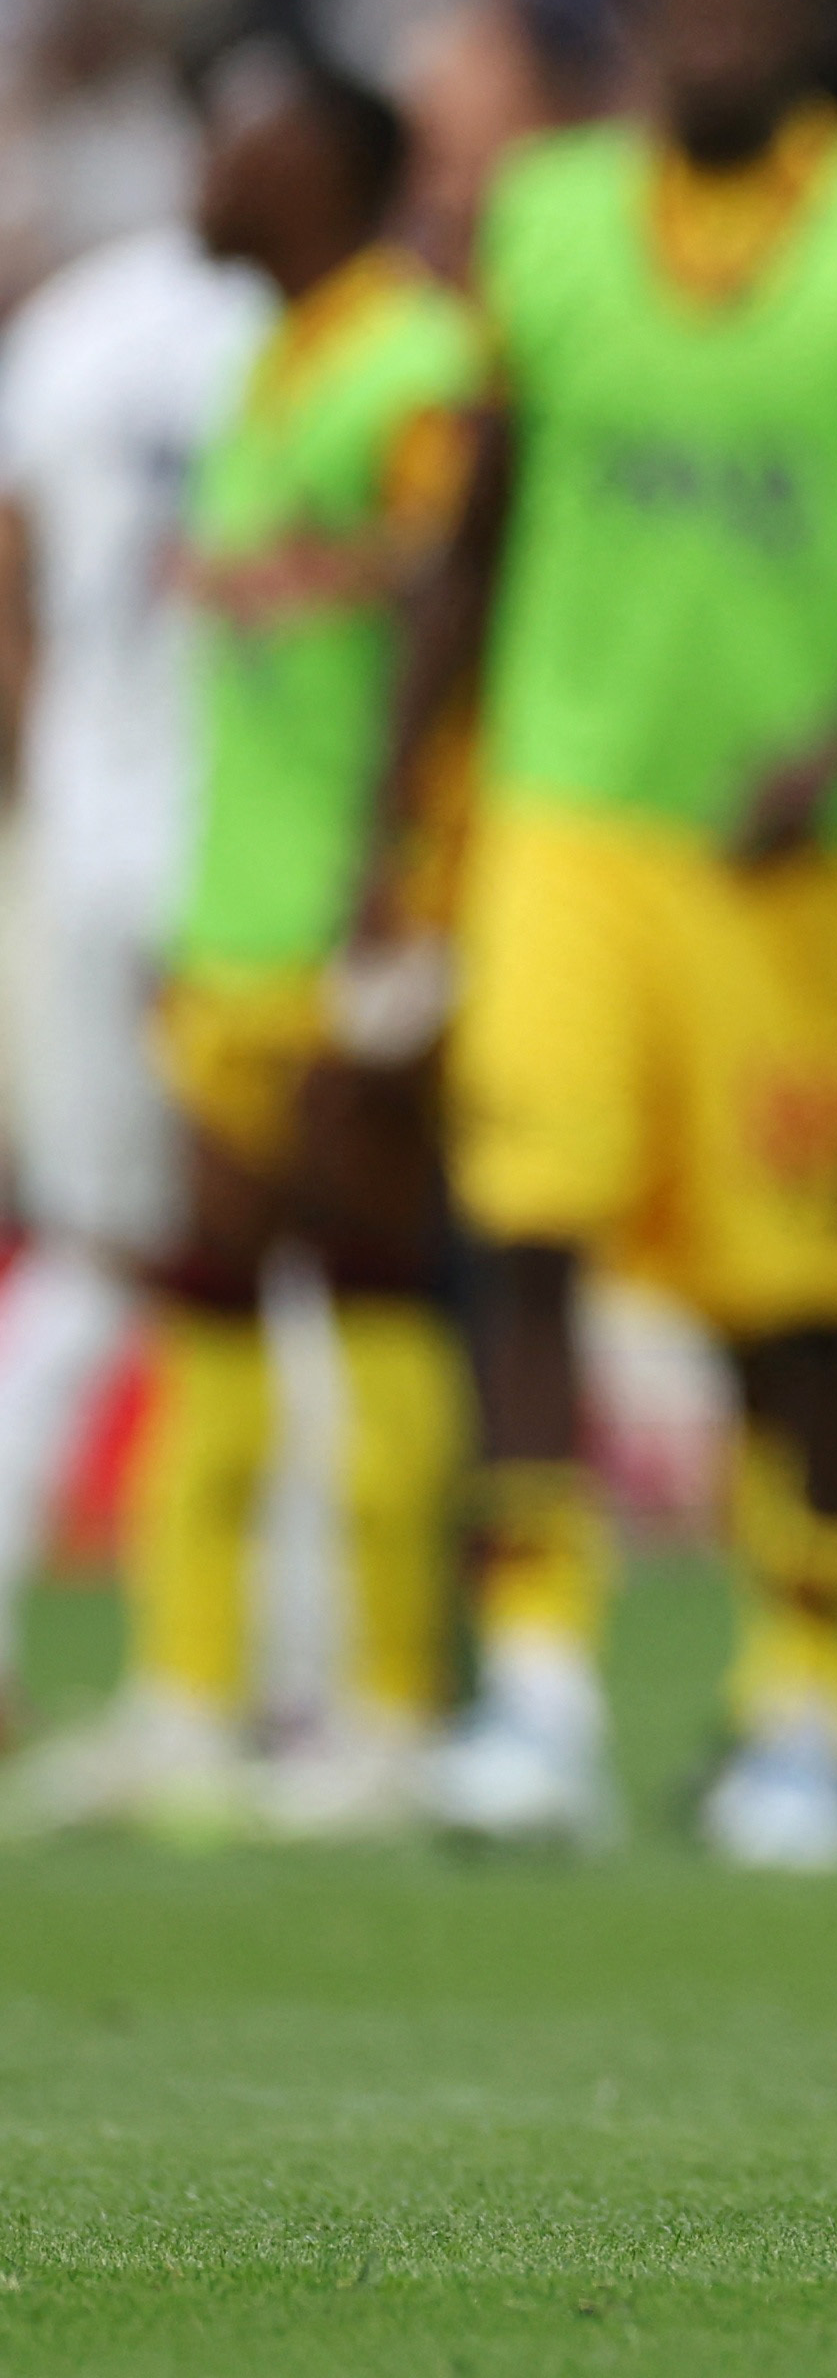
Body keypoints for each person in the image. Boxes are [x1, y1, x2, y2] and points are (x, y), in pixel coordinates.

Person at [399, 0, 837, 1870]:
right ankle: (535, 1671)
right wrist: (387, 834)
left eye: (752, 5)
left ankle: (815, 1687)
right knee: (524, 1224)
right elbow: (478, 532)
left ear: (820, 31)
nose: (712, 38)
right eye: (683, 10)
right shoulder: (553, 221)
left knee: (805, 1302)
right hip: (575, 812)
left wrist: (836, 752)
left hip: (822, 861)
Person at [55, 44, 485, 1843]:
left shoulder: (413, 364)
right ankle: (187, 1700)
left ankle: (391, 1714)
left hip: (351, 914)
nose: (206, 170)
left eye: (242, 140)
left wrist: (389, 883)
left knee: (372, 1279)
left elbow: (449, 599)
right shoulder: (270, 365)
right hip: (236, 912)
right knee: (210, 1286)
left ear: (329, 169)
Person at [0, 198, 264, 1793]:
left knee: (95, 1264)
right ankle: (282, 1690)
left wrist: (42, 764)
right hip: (250, 856)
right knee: (300, 1269)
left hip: (94, 843)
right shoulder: (308, 327)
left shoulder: (80, 323)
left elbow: (12, 564)